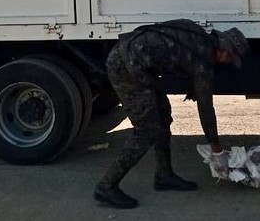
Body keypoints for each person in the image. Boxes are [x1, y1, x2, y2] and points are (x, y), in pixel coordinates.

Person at [93, 19, 250, 209]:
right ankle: (107, 185)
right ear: (225, 50)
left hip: (138, 63)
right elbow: (206, 109)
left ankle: (164, 175)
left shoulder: (199, 36)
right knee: (146, 131)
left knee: (163, 116)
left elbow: (174, 55)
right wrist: (216, 147)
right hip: (126, 66)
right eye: (231, 59)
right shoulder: (202, 58)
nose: (229, 63)